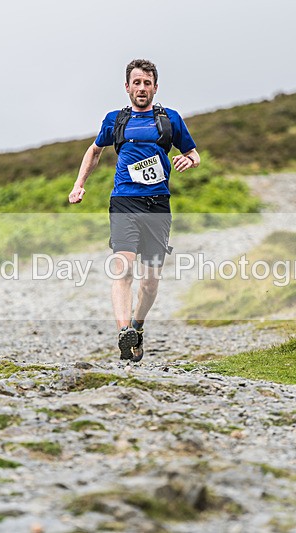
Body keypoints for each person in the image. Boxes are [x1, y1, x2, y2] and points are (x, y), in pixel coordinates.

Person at [68, 59, 200, 362]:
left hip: (157, 205)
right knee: (122, 268)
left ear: (155, 87)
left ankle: (138, 324)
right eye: (136, 83)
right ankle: (124, 331)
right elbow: (94, 150)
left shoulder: (170, 119)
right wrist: (79, 184)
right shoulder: (115, 120)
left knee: (150, 282)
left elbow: (194, 154)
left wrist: (189, 161)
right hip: (124, 201)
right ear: (127, 87)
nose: (142, 88)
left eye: (147, 83)